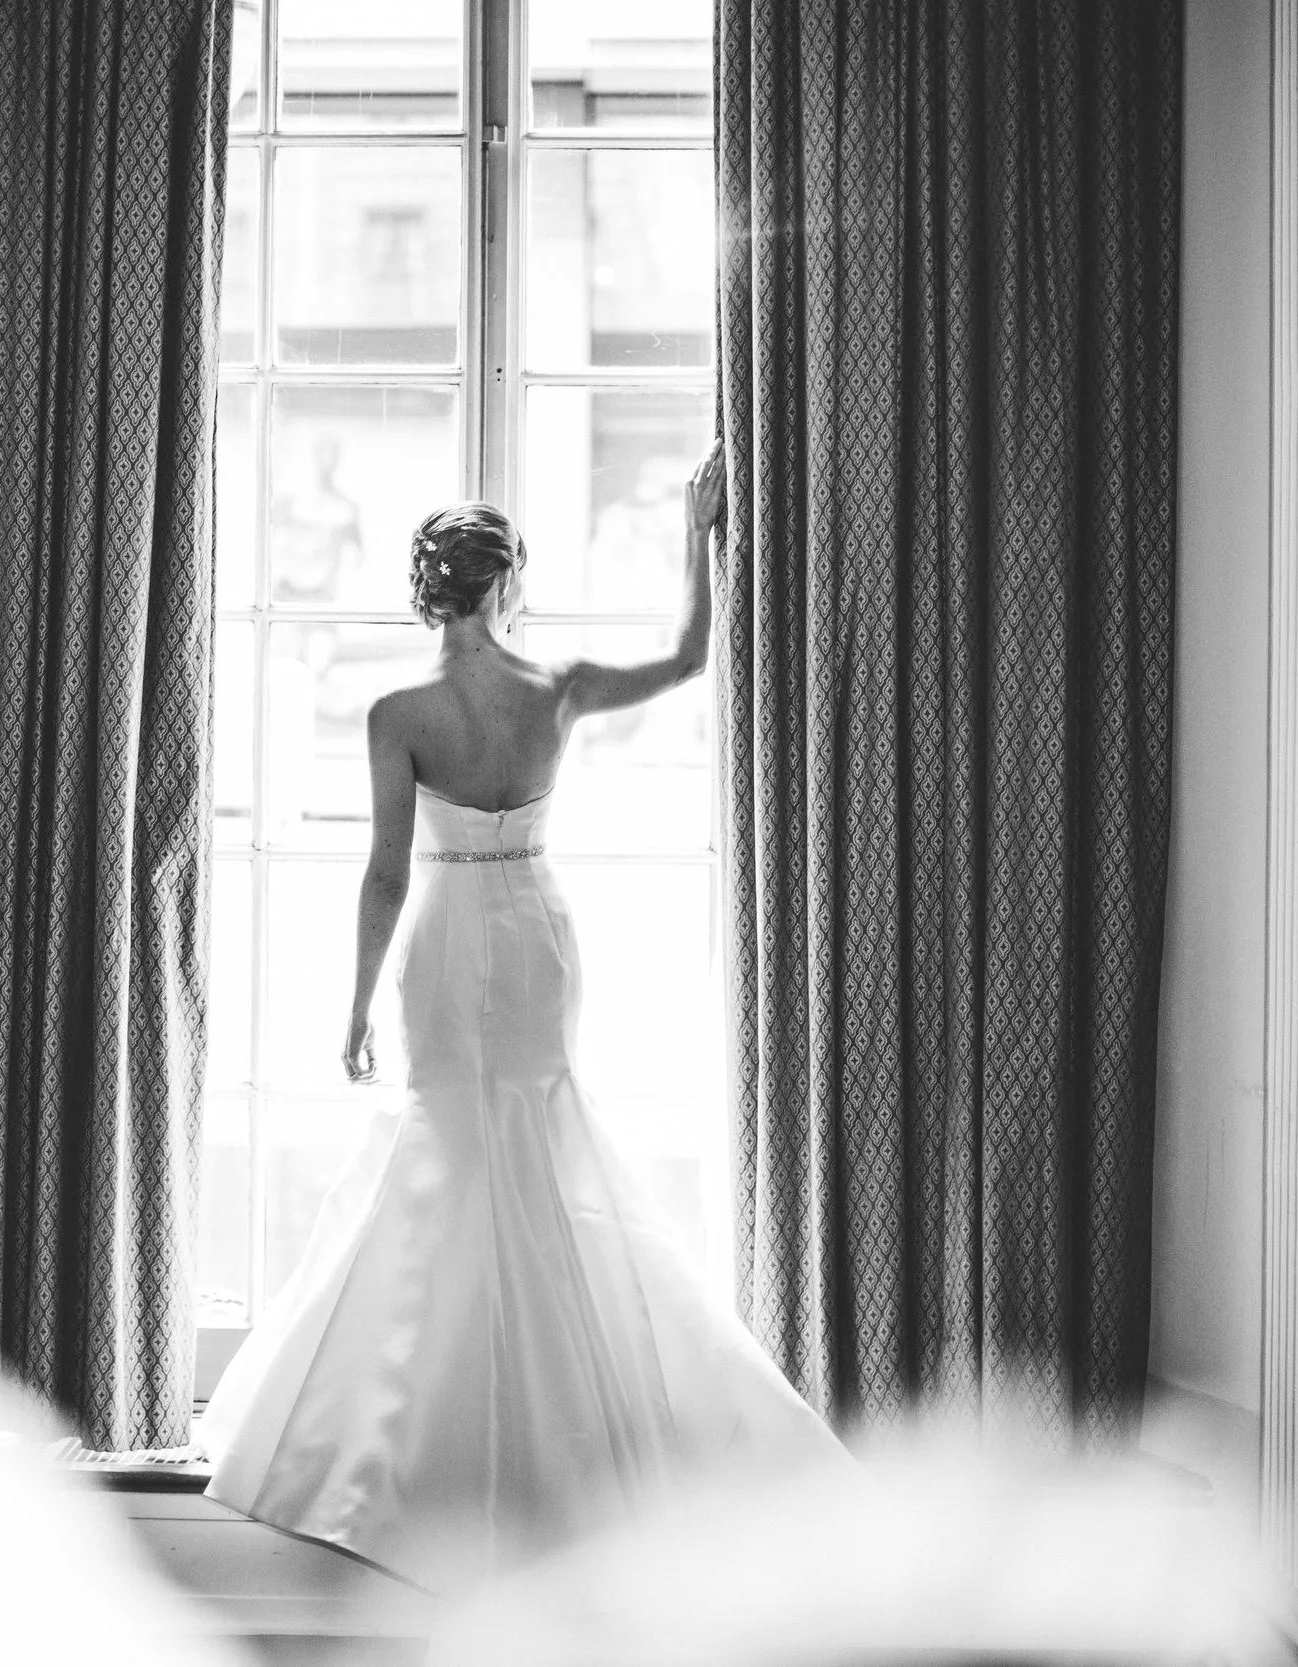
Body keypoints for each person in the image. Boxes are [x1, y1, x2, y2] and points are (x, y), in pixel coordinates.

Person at [196, 444, 857, 1594]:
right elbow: (693, 655)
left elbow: (387, 875)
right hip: (536, 928)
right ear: (504, 586)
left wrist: (353, 1004)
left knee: (445, 1146)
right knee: (542, 1141)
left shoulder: (398, 707)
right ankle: (577, 1423)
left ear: (427, 592)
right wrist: (695, 534)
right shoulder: (556, 687)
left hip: (447, 935)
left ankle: (421, 1426)